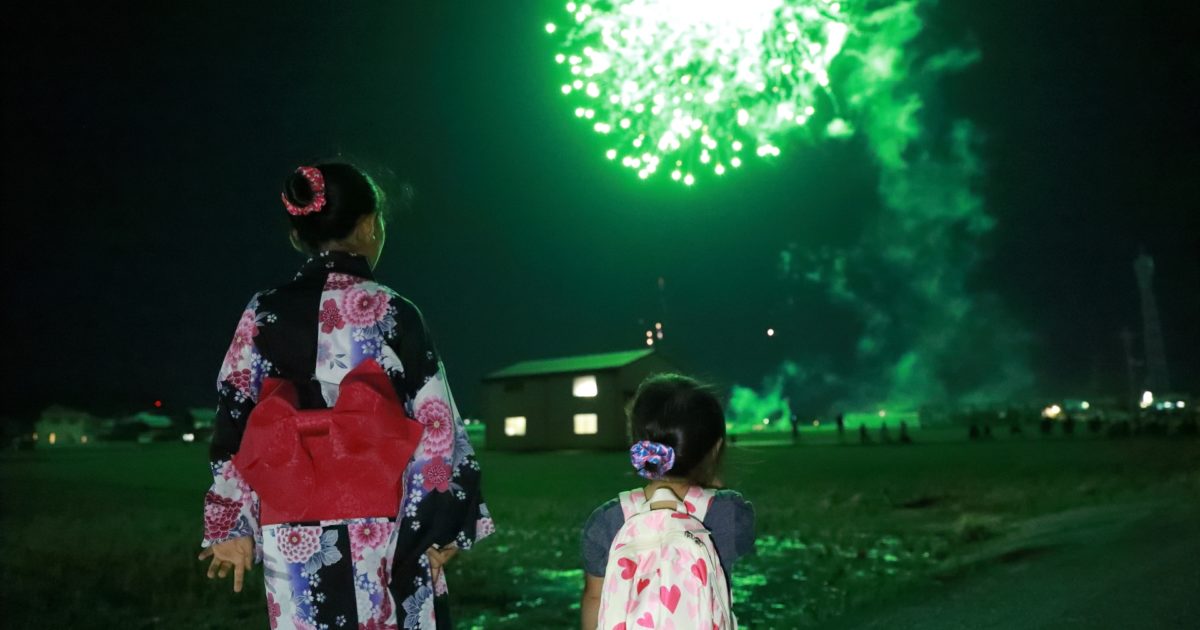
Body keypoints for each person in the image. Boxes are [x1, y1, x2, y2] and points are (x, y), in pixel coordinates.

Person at [197, 162, 493, 629]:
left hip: (289, 521)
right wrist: (441, 524)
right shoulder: (394, 311)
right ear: (370, 225)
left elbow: (234, 418)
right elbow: (436, 422)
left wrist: (232, 522)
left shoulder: (263, 311)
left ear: (299, 235)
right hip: (387, 521)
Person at [579, 374, 755, 629]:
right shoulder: (730, 513)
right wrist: (715, 483)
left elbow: (594, 597)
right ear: (714, 449)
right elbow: (743, 541)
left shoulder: (606, 520)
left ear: (639, 443)